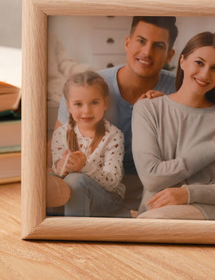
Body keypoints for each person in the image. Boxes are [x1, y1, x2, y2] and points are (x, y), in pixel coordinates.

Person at [56, 16, 179, 213]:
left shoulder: (180, 89)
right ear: (127, 43)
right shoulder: (85, 88)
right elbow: (60, 149)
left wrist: (168, 110)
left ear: (169, 55)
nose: (147, 52)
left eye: (158, 46)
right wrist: (66, 162)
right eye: (141, 41)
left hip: (154, 193)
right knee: (70, 182)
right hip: (97, 187)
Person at [132, 32, 215, 220]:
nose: (205, 74)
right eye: (199, 62)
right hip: (156, 215)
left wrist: (189, 194)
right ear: (183, 61)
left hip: (209, 215)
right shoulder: (148, 108)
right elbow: (152, 178)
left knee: (156, 222)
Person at [50, 71, 125, 217]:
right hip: (71, 193)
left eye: (94, 102)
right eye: (78, 104)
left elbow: (112, 181)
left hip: (108, 199)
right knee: (47, 179)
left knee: (75, 180)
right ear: (68, 106)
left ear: (105, 103)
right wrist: (60, 166)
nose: (86, 111)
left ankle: (74, 231)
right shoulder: (61, 133)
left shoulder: (113, 136)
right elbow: (57, 166)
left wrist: (83, 167)